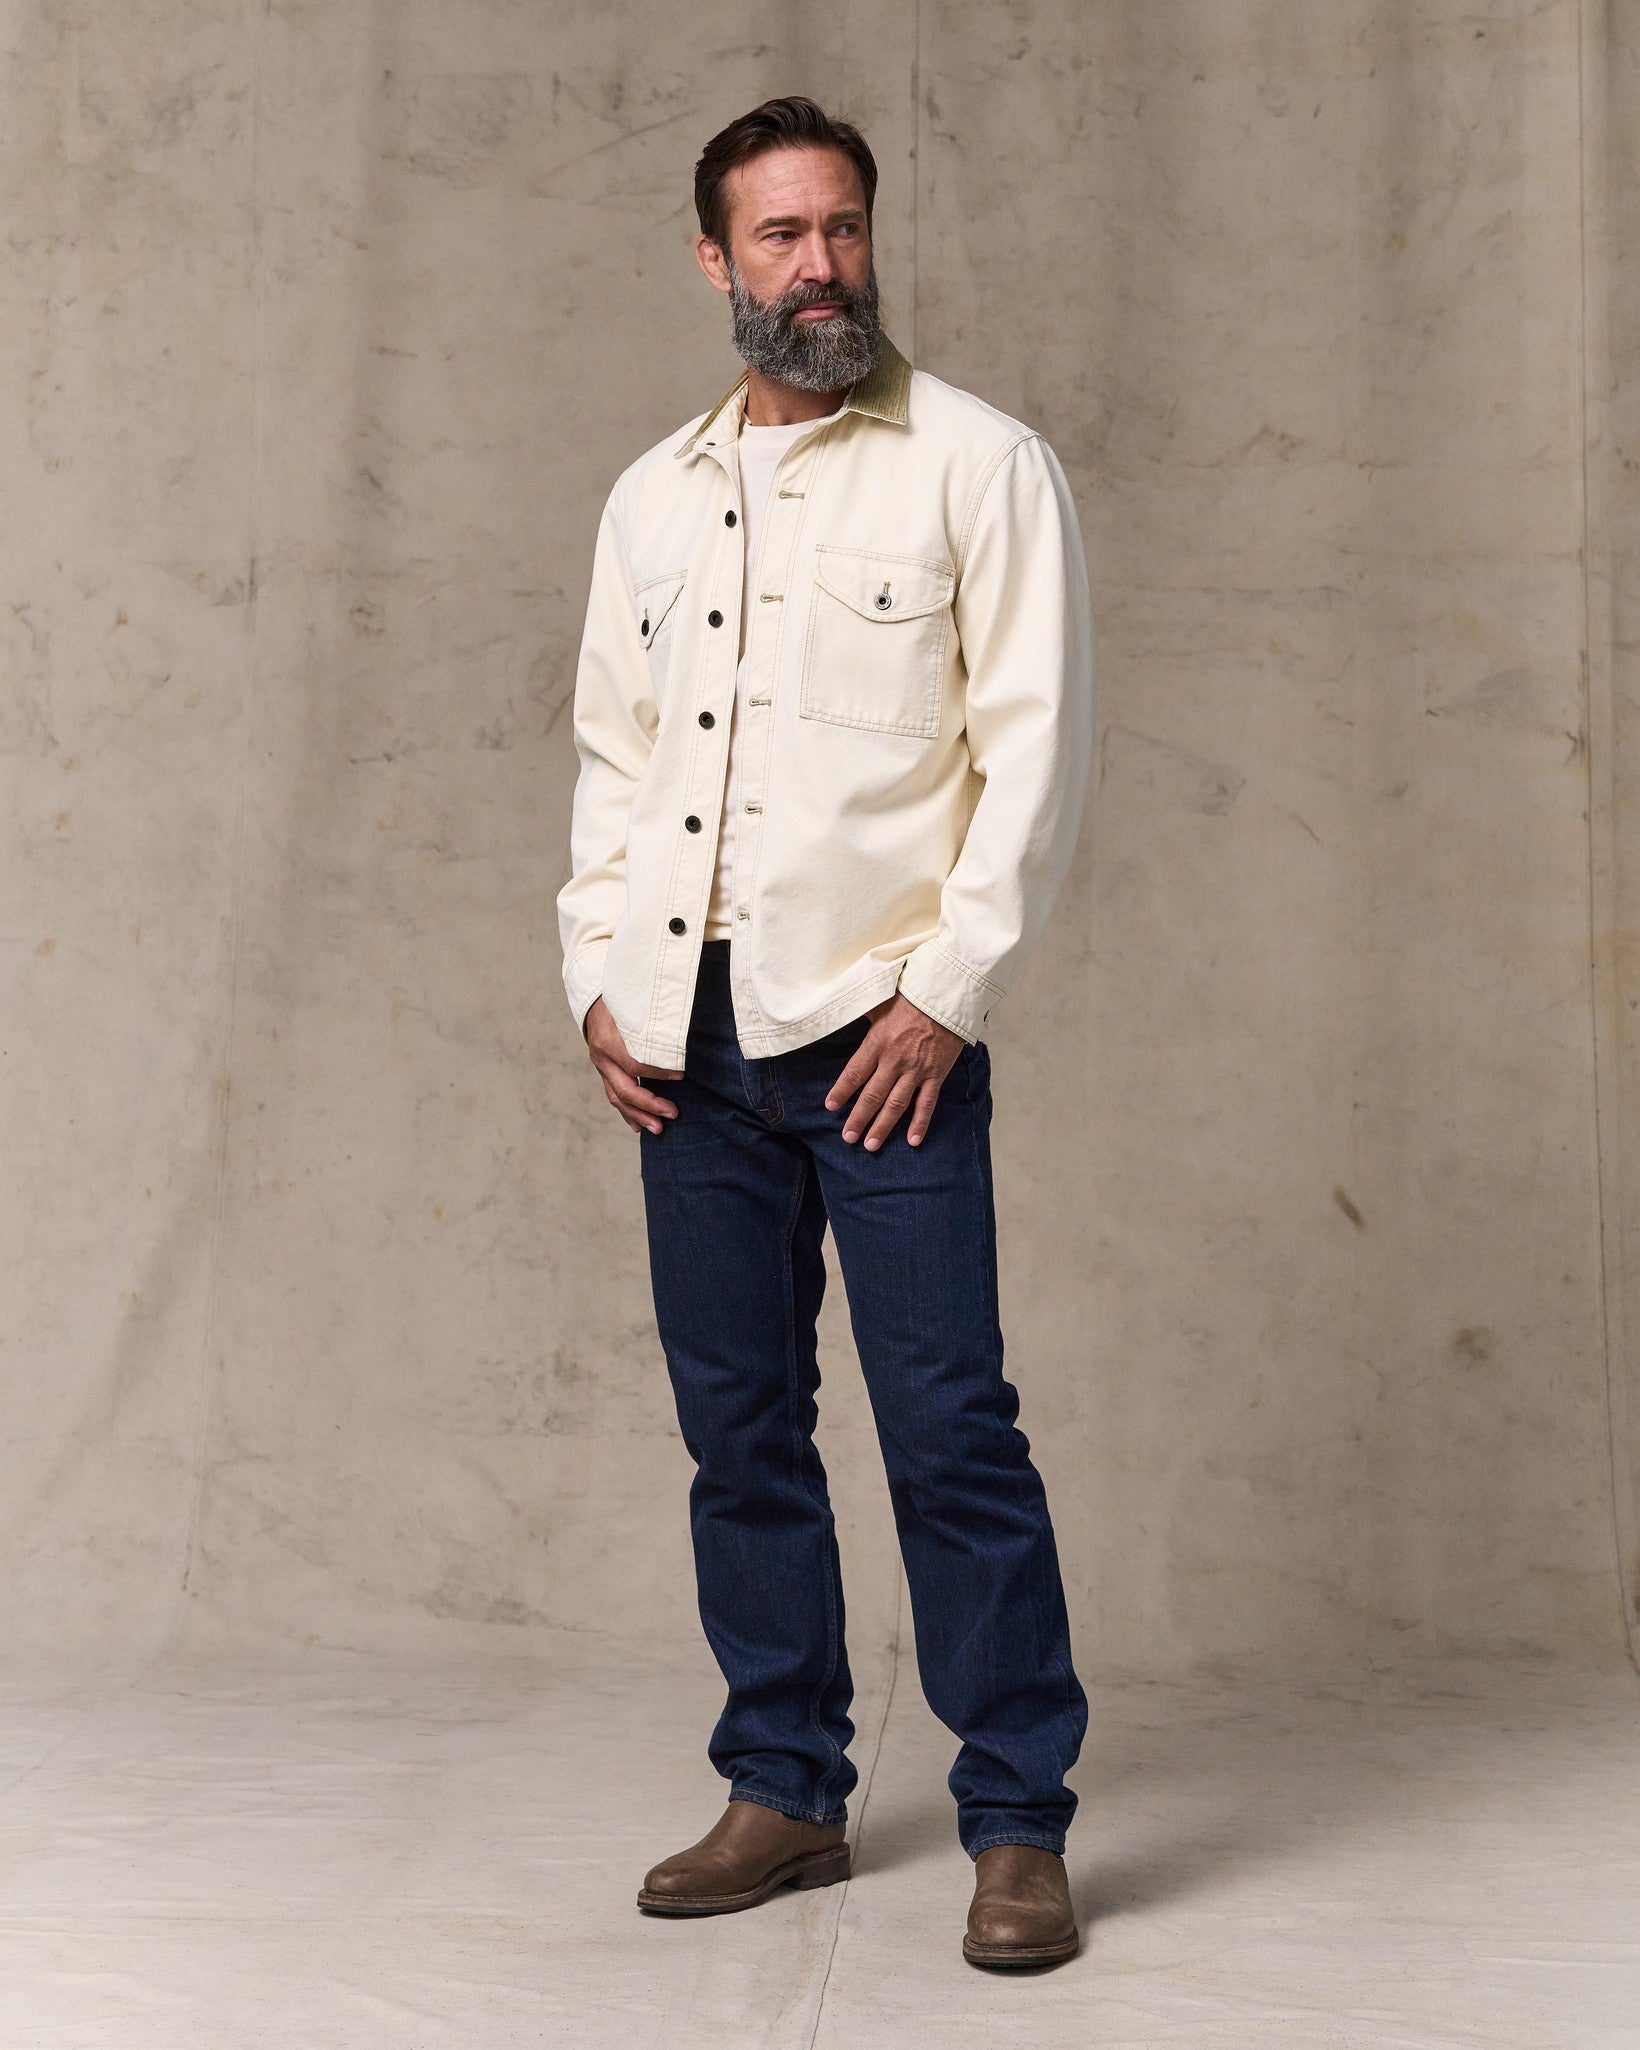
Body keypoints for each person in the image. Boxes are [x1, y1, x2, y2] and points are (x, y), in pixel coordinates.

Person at [556, 94, 1096, 1970]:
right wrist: (597, 976)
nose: (820, 266)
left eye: (843, 228)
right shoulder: (652, 497)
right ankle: (784, 1781)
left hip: (880, 1035)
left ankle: (1016, 1820)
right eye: (780, 235)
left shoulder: (979, 466)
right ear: (713, 258)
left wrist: (946, 994)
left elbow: (1035, 756)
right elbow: (615, 763)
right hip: (685, 1044)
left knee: (950, 1429)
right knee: (739, 1432)